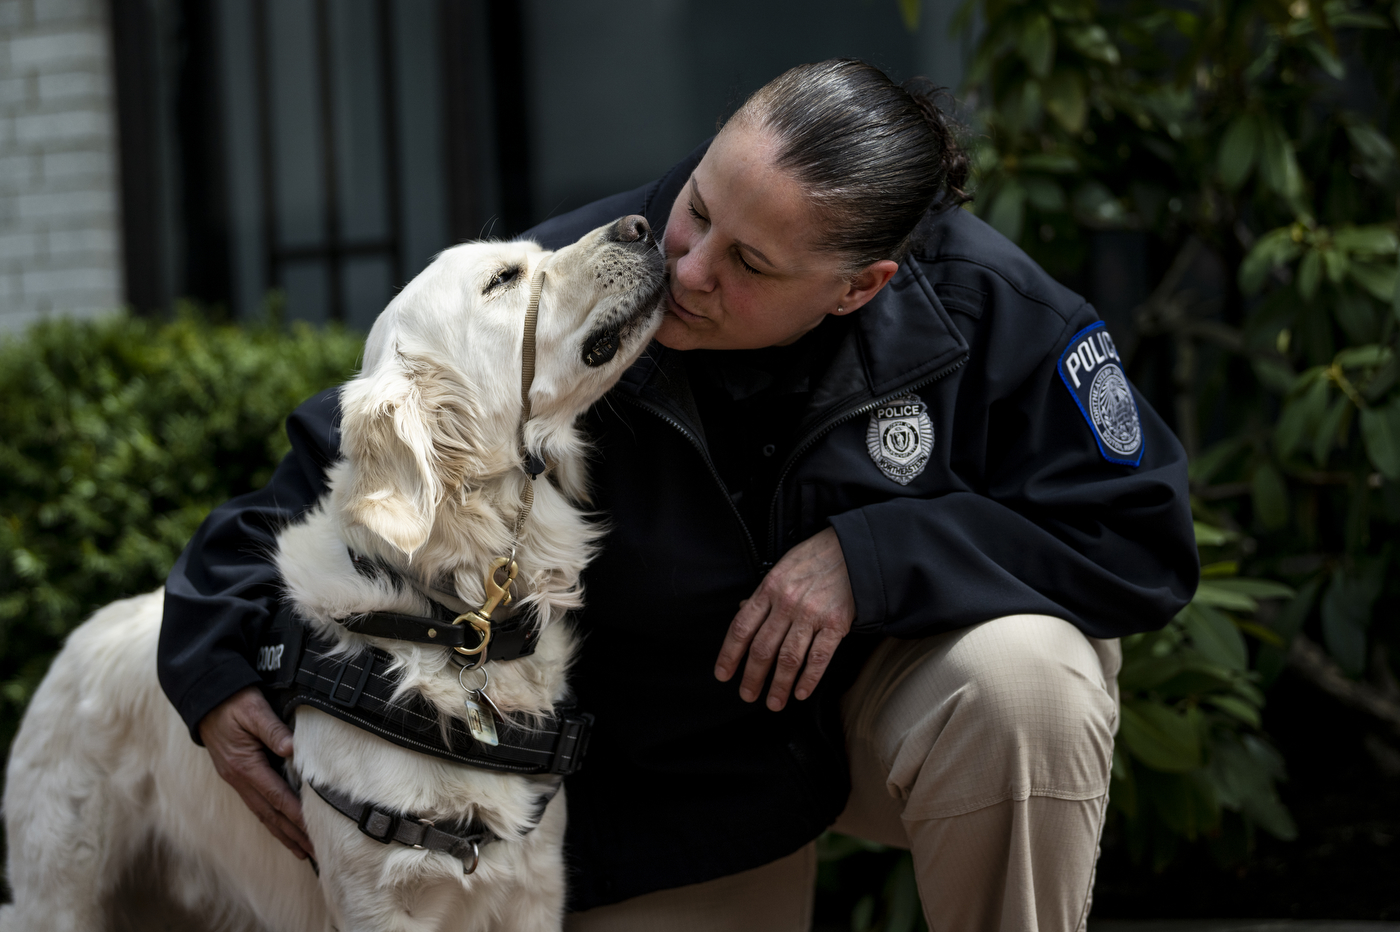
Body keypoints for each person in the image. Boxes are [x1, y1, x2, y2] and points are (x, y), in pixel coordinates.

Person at [159, 59, 1197, 931]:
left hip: (899, 700)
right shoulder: (572, 285)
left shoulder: (989, 309)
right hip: (673, 779)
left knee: (1028, 678)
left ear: (858, 286)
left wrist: (873, 559)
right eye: (696, 206)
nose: (685, 268)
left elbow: (1137, 533)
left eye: (746, 262)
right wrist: (209, 661)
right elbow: (326, 486)